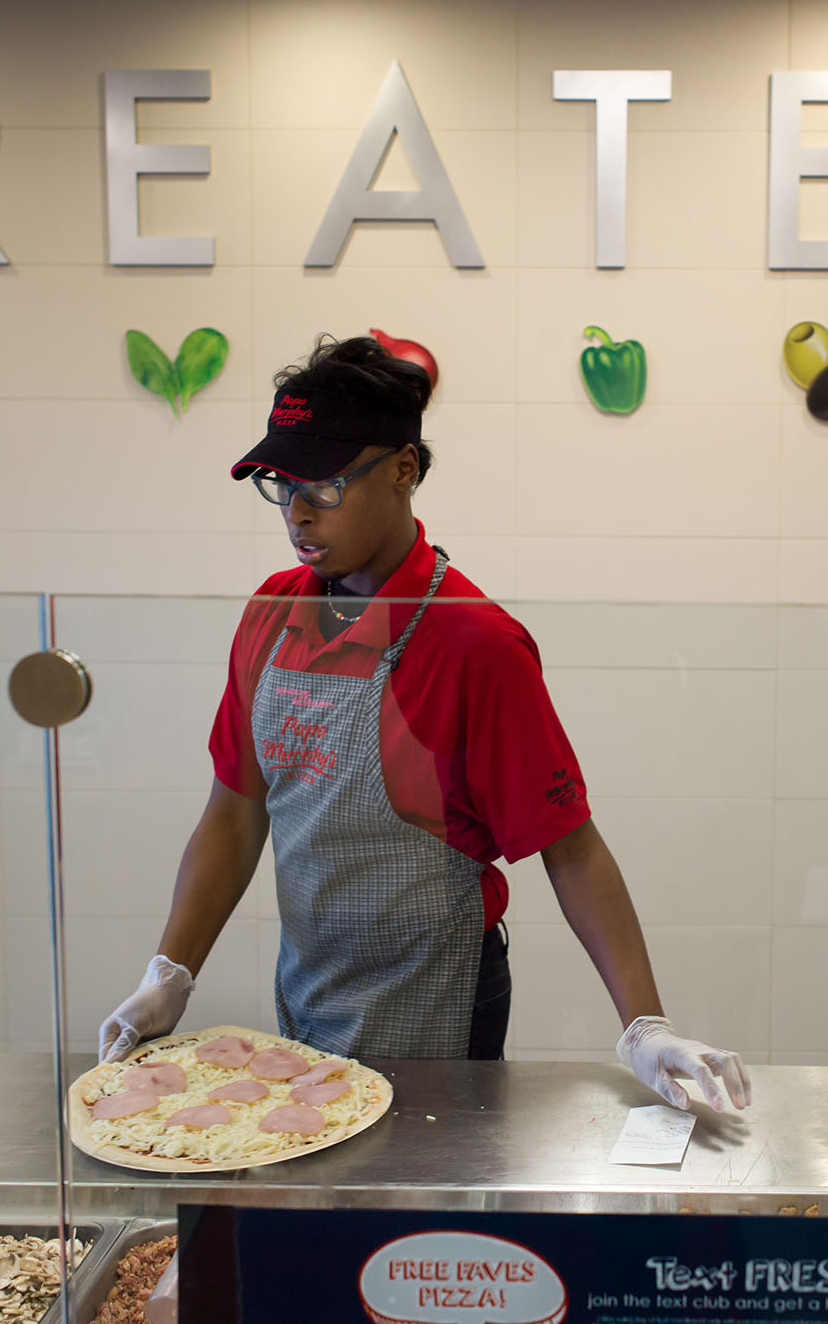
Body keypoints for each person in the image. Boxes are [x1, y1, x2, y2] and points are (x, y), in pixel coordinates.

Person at [98, 334, 750, 1112]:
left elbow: (570, 847)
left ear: (404, 468)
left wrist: (644, 1023)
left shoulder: (473, 641)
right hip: (305, 1001)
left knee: (414, 1230)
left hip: (438, 1013)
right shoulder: (271, 614)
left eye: (327, 483)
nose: (299, 513)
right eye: (282, 484)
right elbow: (236, 809)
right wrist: (169, 972)